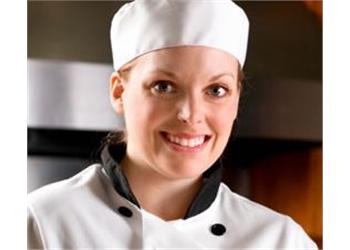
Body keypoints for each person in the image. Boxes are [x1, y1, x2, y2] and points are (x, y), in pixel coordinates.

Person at [28, 0, 318, 249]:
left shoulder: (281, 240)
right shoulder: (43, 223)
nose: (191, 114)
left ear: (236, 101)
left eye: (216, 90)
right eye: (163, 86)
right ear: (119, 92)